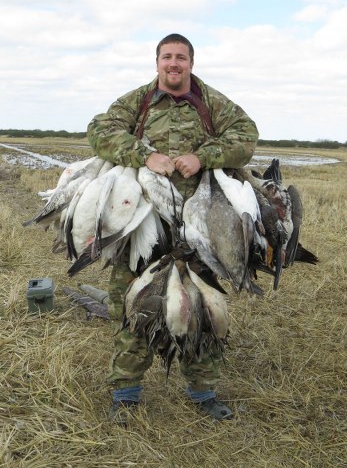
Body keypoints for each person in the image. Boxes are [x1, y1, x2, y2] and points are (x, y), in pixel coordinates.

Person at [87, 33, 259, 422]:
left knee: (203, 308)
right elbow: (100, 131)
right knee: (134, 306)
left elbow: (246, 136)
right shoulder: (138, 101)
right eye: (167, 57)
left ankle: (203, 393)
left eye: (181, 57)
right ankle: (126, 393)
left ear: (191, 64)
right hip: (142, 223)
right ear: (158, 62)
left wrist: (202, 157)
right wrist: (145, 156)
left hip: (203, 226)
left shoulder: (212, 102)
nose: (174, 64)